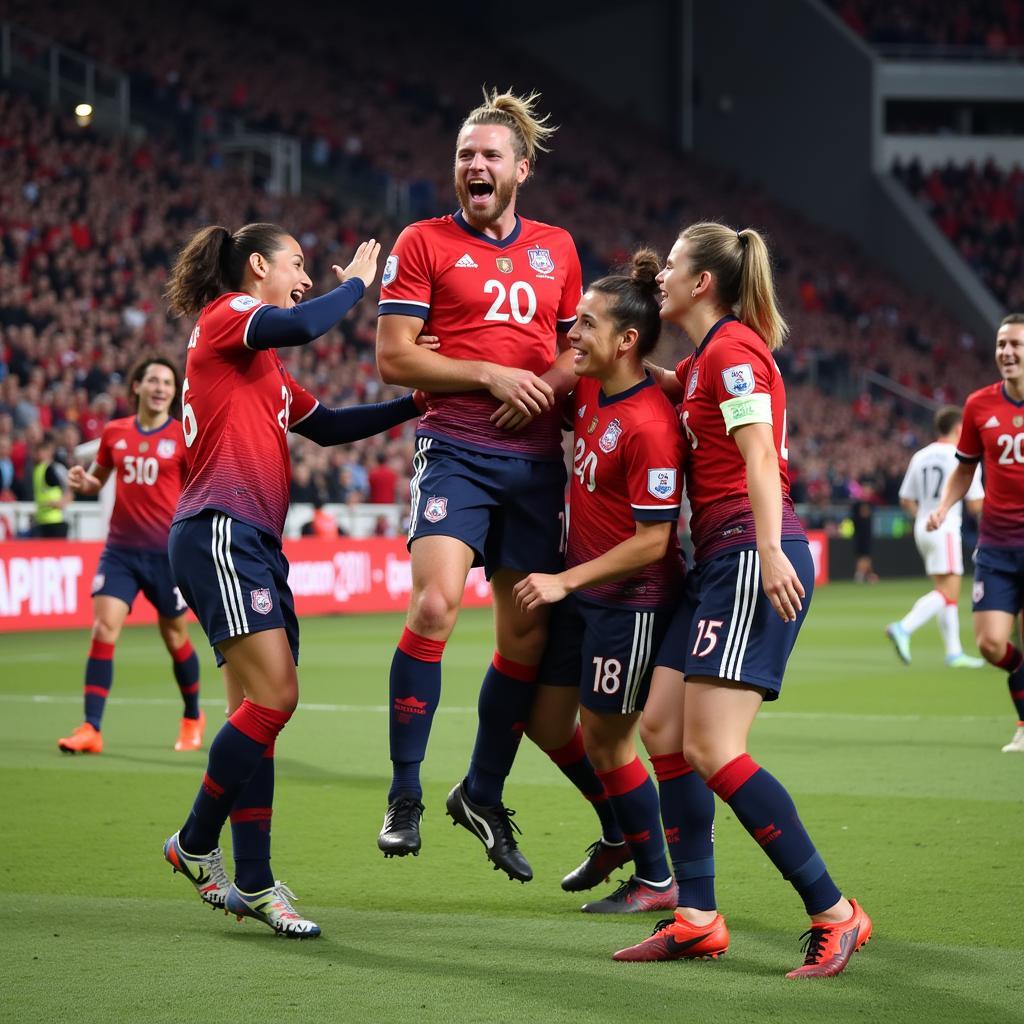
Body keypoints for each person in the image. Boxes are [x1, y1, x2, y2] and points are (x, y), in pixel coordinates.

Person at [613, 223, 871, 979]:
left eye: (673, 264)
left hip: (747, 554)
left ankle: (834, 911)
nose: (660, 273)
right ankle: (696, 917)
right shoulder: (703, 360)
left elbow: (759, 455)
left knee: (714, 749)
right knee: (661, 727)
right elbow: (680, 391)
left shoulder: (731, 351)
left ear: (702, 284)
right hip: (718, 559)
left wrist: (764, 552)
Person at [159, 222, 424, 938]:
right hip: (221, 528)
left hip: (251, 542)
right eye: (298, 263)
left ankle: (253, 884)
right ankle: (191, 842)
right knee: (277, 697)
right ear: (256, 266)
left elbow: (331, 425)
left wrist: (416, 402)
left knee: (259, 715)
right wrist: (359, 284)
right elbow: (304, 323)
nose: (307, 276)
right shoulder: (230, 316)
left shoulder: (261, 366)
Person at [374, 88, 582, 879]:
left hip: (534, 466)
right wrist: (491, 373)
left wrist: (546, 383)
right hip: (455, 452)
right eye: (465, 155)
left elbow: (574, 354)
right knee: (434, 603)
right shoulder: (423, 242)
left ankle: (483, 794)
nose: (475, 166)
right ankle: (404, 796)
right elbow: (396, 357)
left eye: (490, 154)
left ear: (520, 168)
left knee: (522, 635)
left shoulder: (557, 249)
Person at [514, 252, 685, 913]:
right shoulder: (589, 388)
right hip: (585, 593)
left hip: (631, 601)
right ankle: (620, 826)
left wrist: (562, 581)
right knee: (546, 721)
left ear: (626, 340)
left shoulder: (650, 424)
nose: (572, 335)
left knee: (610, 737)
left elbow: (653, 541)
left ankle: (656, 879)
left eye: (585, 324)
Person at [57, 357, 205, 755]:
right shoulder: (114, 432)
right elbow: (97, 482)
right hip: (120, 552)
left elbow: (199, 489)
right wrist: (83, 481)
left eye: (167, 383)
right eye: (152, 380)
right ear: (137, 386)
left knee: (175, 637)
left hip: (166, 557)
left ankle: (192, 717)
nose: (160, 388)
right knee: (104, 629)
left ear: (175, 393)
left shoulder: (182, 437)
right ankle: (91, 728)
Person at [928, 313, 1024, 753]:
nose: (1007, 352)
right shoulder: (978, 406)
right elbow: (964, 470)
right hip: (997, 548)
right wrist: (945, 506)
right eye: (1003, 344)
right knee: (990, 644)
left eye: (1016, 345)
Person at [886, 405, 985, 668]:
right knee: (948, 591)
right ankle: (903, 627)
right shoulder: (961, 456)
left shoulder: (920, 455)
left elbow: (906, 499)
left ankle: (954, 652)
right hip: (946, 526)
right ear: (959, 429)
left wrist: (925, 516)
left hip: (924, 527)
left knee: (944, 590)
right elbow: (976, 504)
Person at [32, 432, 70, 538]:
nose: (38, 453)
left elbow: (70, 486)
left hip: (56, 519)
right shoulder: (38, 469)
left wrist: (63, 501)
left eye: (42, 450)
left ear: (49, 452)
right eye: (37, 451)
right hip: (42, 520)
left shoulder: (55, 468)